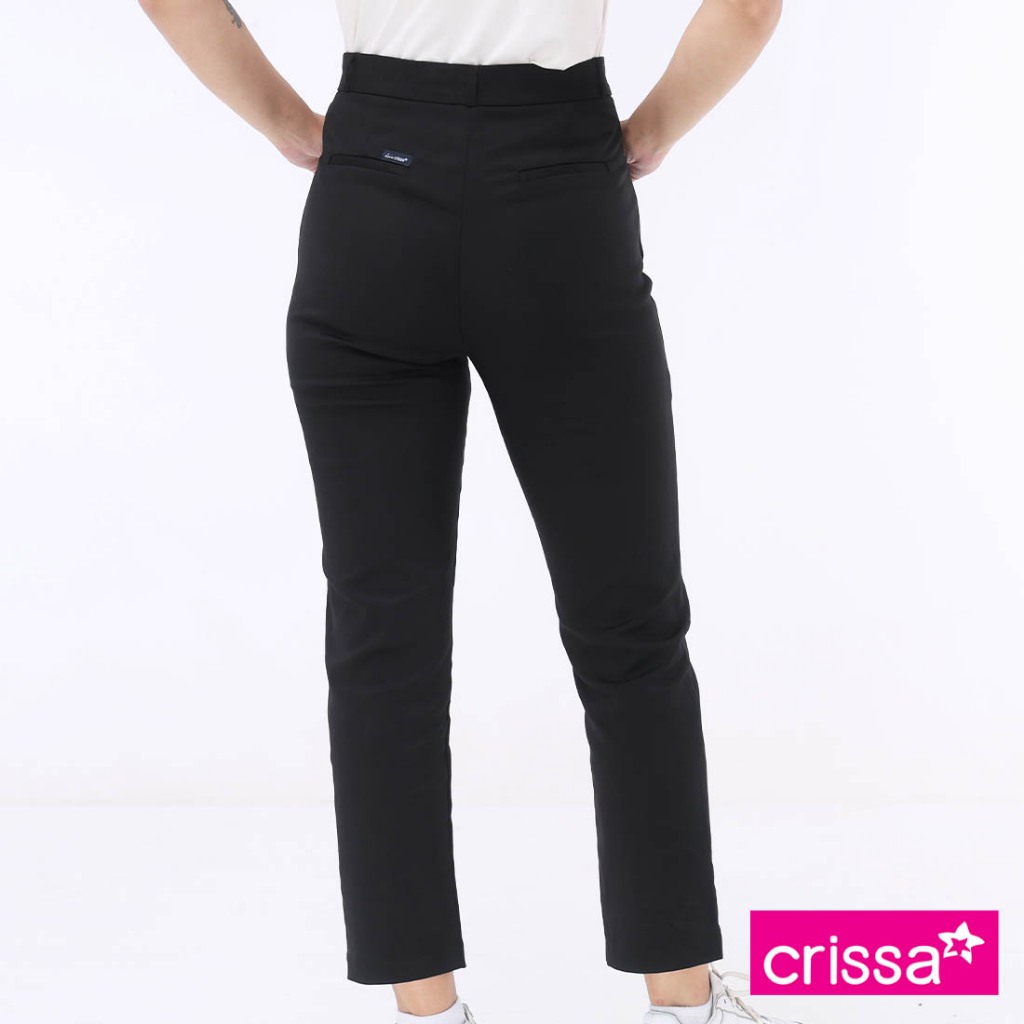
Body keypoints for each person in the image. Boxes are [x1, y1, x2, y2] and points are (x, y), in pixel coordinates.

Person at [138, 1, 800, 1022]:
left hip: (370, 189)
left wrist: (291, 122)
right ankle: (681, 997)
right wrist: (655, 125)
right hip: (559, 190)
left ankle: (426, 1007)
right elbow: (749, 9)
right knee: (629, 629)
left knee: (384, 638)